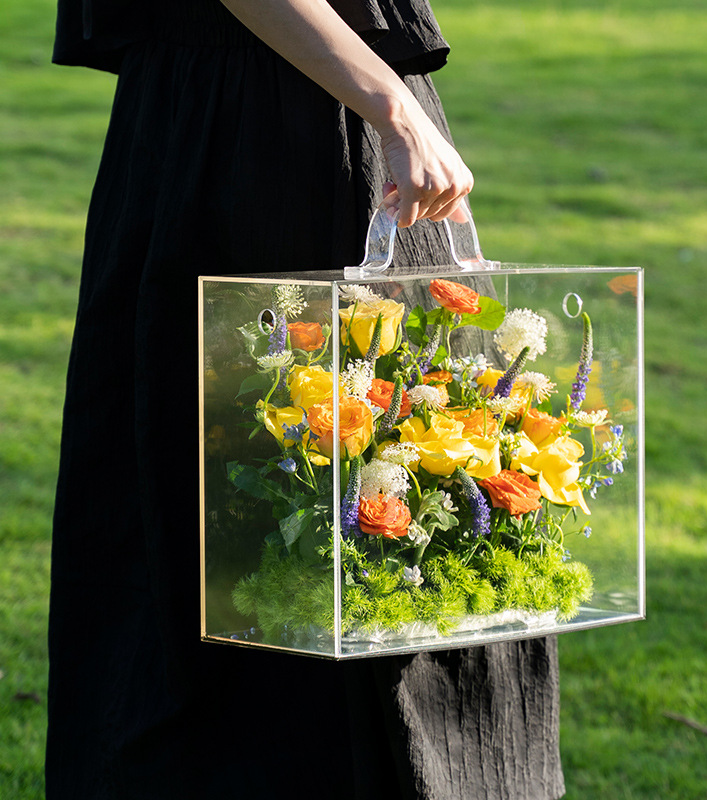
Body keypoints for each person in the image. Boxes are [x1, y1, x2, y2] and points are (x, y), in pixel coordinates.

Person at [47, 1, 565, 797]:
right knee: (248, 511)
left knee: (416, 481)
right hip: (260, 128)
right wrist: (388, 104)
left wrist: (393, 105)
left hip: (327, 105)